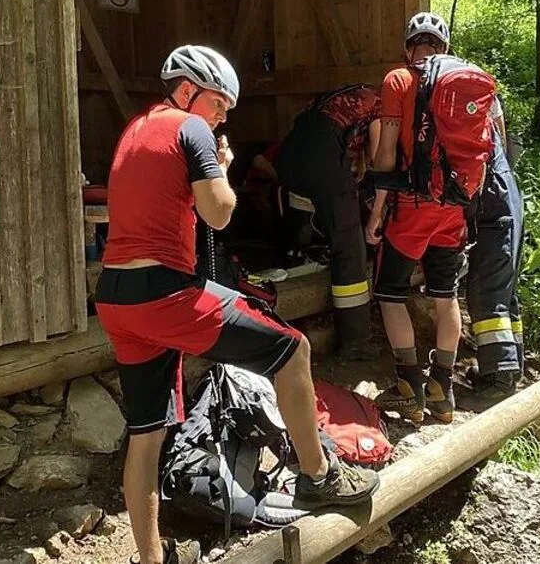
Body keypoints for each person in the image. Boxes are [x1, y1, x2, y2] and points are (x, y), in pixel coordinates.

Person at [94, 45, 380, 564]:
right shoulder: (191, 128)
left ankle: (150, 558)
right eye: (219, 103)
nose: (224, 116)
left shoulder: (134, 131)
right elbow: (221, 213)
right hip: (166, 291)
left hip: (116, 296)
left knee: (147, 435)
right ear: (186, 91)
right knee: (291, 350)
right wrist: (221, 169)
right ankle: (319, 477)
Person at [365, 12, 466, 424]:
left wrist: (376, 209)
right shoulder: (462, 82)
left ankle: (409, 388)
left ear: (409, 48)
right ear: (444, 48)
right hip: (455, 209)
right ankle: (443, 391)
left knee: (390, 294)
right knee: (446, 296)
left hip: (412, 207)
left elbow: (387, 154)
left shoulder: (399, 80)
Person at [275, 85, 382, 349]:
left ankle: (290, 270)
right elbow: (380, 159)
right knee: (349, 245)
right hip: (321, 155)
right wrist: (379, 207)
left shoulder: (341, 96)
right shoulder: (383, 104)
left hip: (289, 154)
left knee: (303, 221)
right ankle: (356, 340)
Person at [460, 93, 526, 409]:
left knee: (486, 293)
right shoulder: (484, 103)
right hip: (509, 199)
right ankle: (510, 369)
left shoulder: (456, 117)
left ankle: (499, 380)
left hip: (495, 211)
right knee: (504, 290)